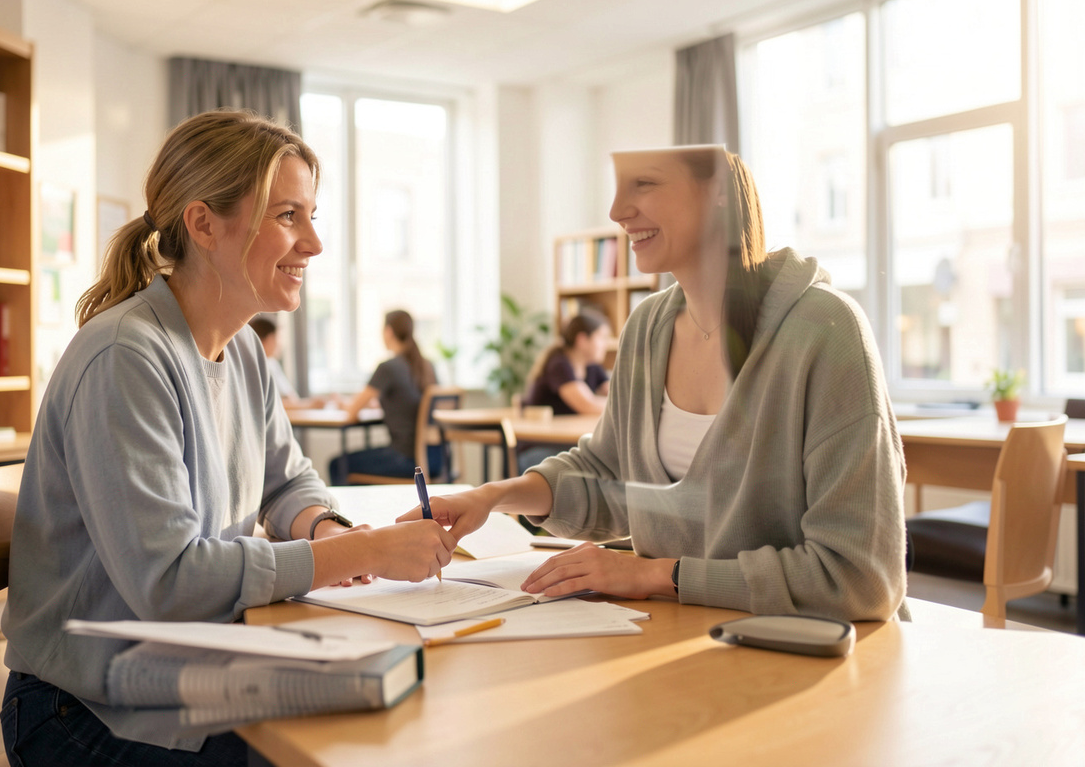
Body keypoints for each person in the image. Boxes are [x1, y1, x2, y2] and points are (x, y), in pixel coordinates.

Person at [0, 110, 455, 766]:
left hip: (186, 670)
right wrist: (366, 553)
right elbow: (170, 582)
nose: (315, 245)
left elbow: (287, 481)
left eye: (311, 216)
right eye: (288, 216)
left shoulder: (245, 353)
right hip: (87, 710)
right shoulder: (126, 356)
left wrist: (330, 534)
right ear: (204, 223)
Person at [403, 145, 907, 622]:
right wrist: (491, 497)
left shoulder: (827, 331)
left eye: (643, 184)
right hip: (686, 633)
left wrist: (654, 575)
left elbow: (860, 576)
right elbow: (606, 473)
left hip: (815, 658)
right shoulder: (648, 327)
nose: (617, 211)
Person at [328, 310, 440, 485]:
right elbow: (405, 403)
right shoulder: (428, 366)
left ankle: (349, 513)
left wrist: (344, 404)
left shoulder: (388, 367)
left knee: (337, 465)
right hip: (436, 459)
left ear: (388, 332)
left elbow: (352, 413)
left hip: (408, 460)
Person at [517, 311, 611, 470]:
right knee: (601, 462)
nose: (605, 344)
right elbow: (588, 406)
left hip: (568, 446)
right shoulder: (559, 364)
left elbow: (619, 395)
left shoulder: (592, 366)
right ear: (582, 340)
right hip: (540, 449)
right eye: (601, 337)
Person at [249, 314, 323, 408]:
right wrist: (308, 405)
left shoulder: (272, 364)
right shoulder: (256, 367)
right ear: (268, 339)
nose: (280, 344)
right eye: (278, 338)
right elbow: (270, 404)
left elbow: (290, 399)